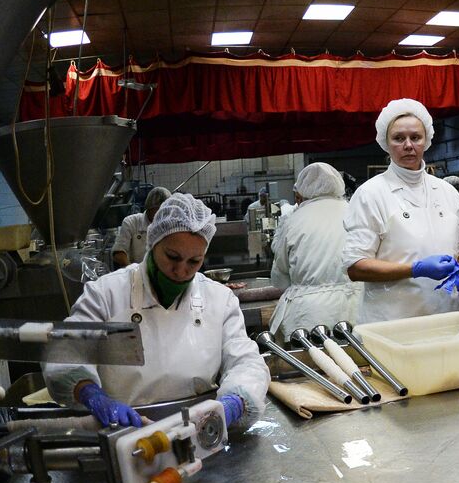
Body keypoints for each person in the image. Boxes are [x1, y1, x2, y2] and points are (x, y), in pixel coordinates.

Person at [44, 192, 269, 430]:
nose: (181, 270)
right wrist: (91, 394)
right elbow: (65, 352)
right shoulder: (107, 293)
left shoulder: (219, 300)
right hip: (123, 430)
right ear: (153, 243)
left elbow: (246, 362)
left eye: (194, 261)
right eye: (172, 256)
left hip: (199, 431)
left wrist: (235, 401)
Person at [344, 98, 459, 322]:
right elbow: (356, 266)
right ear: (386, 144)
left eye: (415, 137)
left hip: (446, 316)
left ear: (426, 141)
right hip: (392, 322)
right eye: (399, 138)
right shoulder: (371, 194)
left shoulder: (446, 191)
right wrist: (415, 269)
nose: (408, 145)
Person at [268, 163, 363, 341]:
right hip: (355, 309)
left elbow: (280, 274)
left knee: (314, 364)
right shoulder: (354, 211)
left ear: (302, 191)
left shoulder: (293, 220)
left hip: (308, 316)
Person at [112, 185, 171, 268]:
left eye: (164, 211)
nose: (161, 215)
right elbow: (118, 253)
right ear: (149, 208)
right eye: (157, 210)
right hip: (135, 272)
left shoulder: (170, 225)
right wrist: (133, 270)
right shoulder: (131, 222)